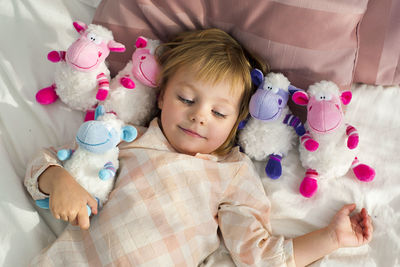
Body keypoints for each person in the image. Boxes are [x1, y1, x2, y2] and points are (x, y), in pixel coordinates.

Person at [25, 28, 373, 266]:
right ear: (161, 96)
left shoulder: (232, 174)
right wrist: (59, 182)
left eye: (219, 112)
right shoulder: (127, 137)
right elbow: (43, 164)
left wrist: (331, 238)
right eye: (186, 98)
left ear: (236, 121)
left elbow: (259, 254)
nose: (199, 116)